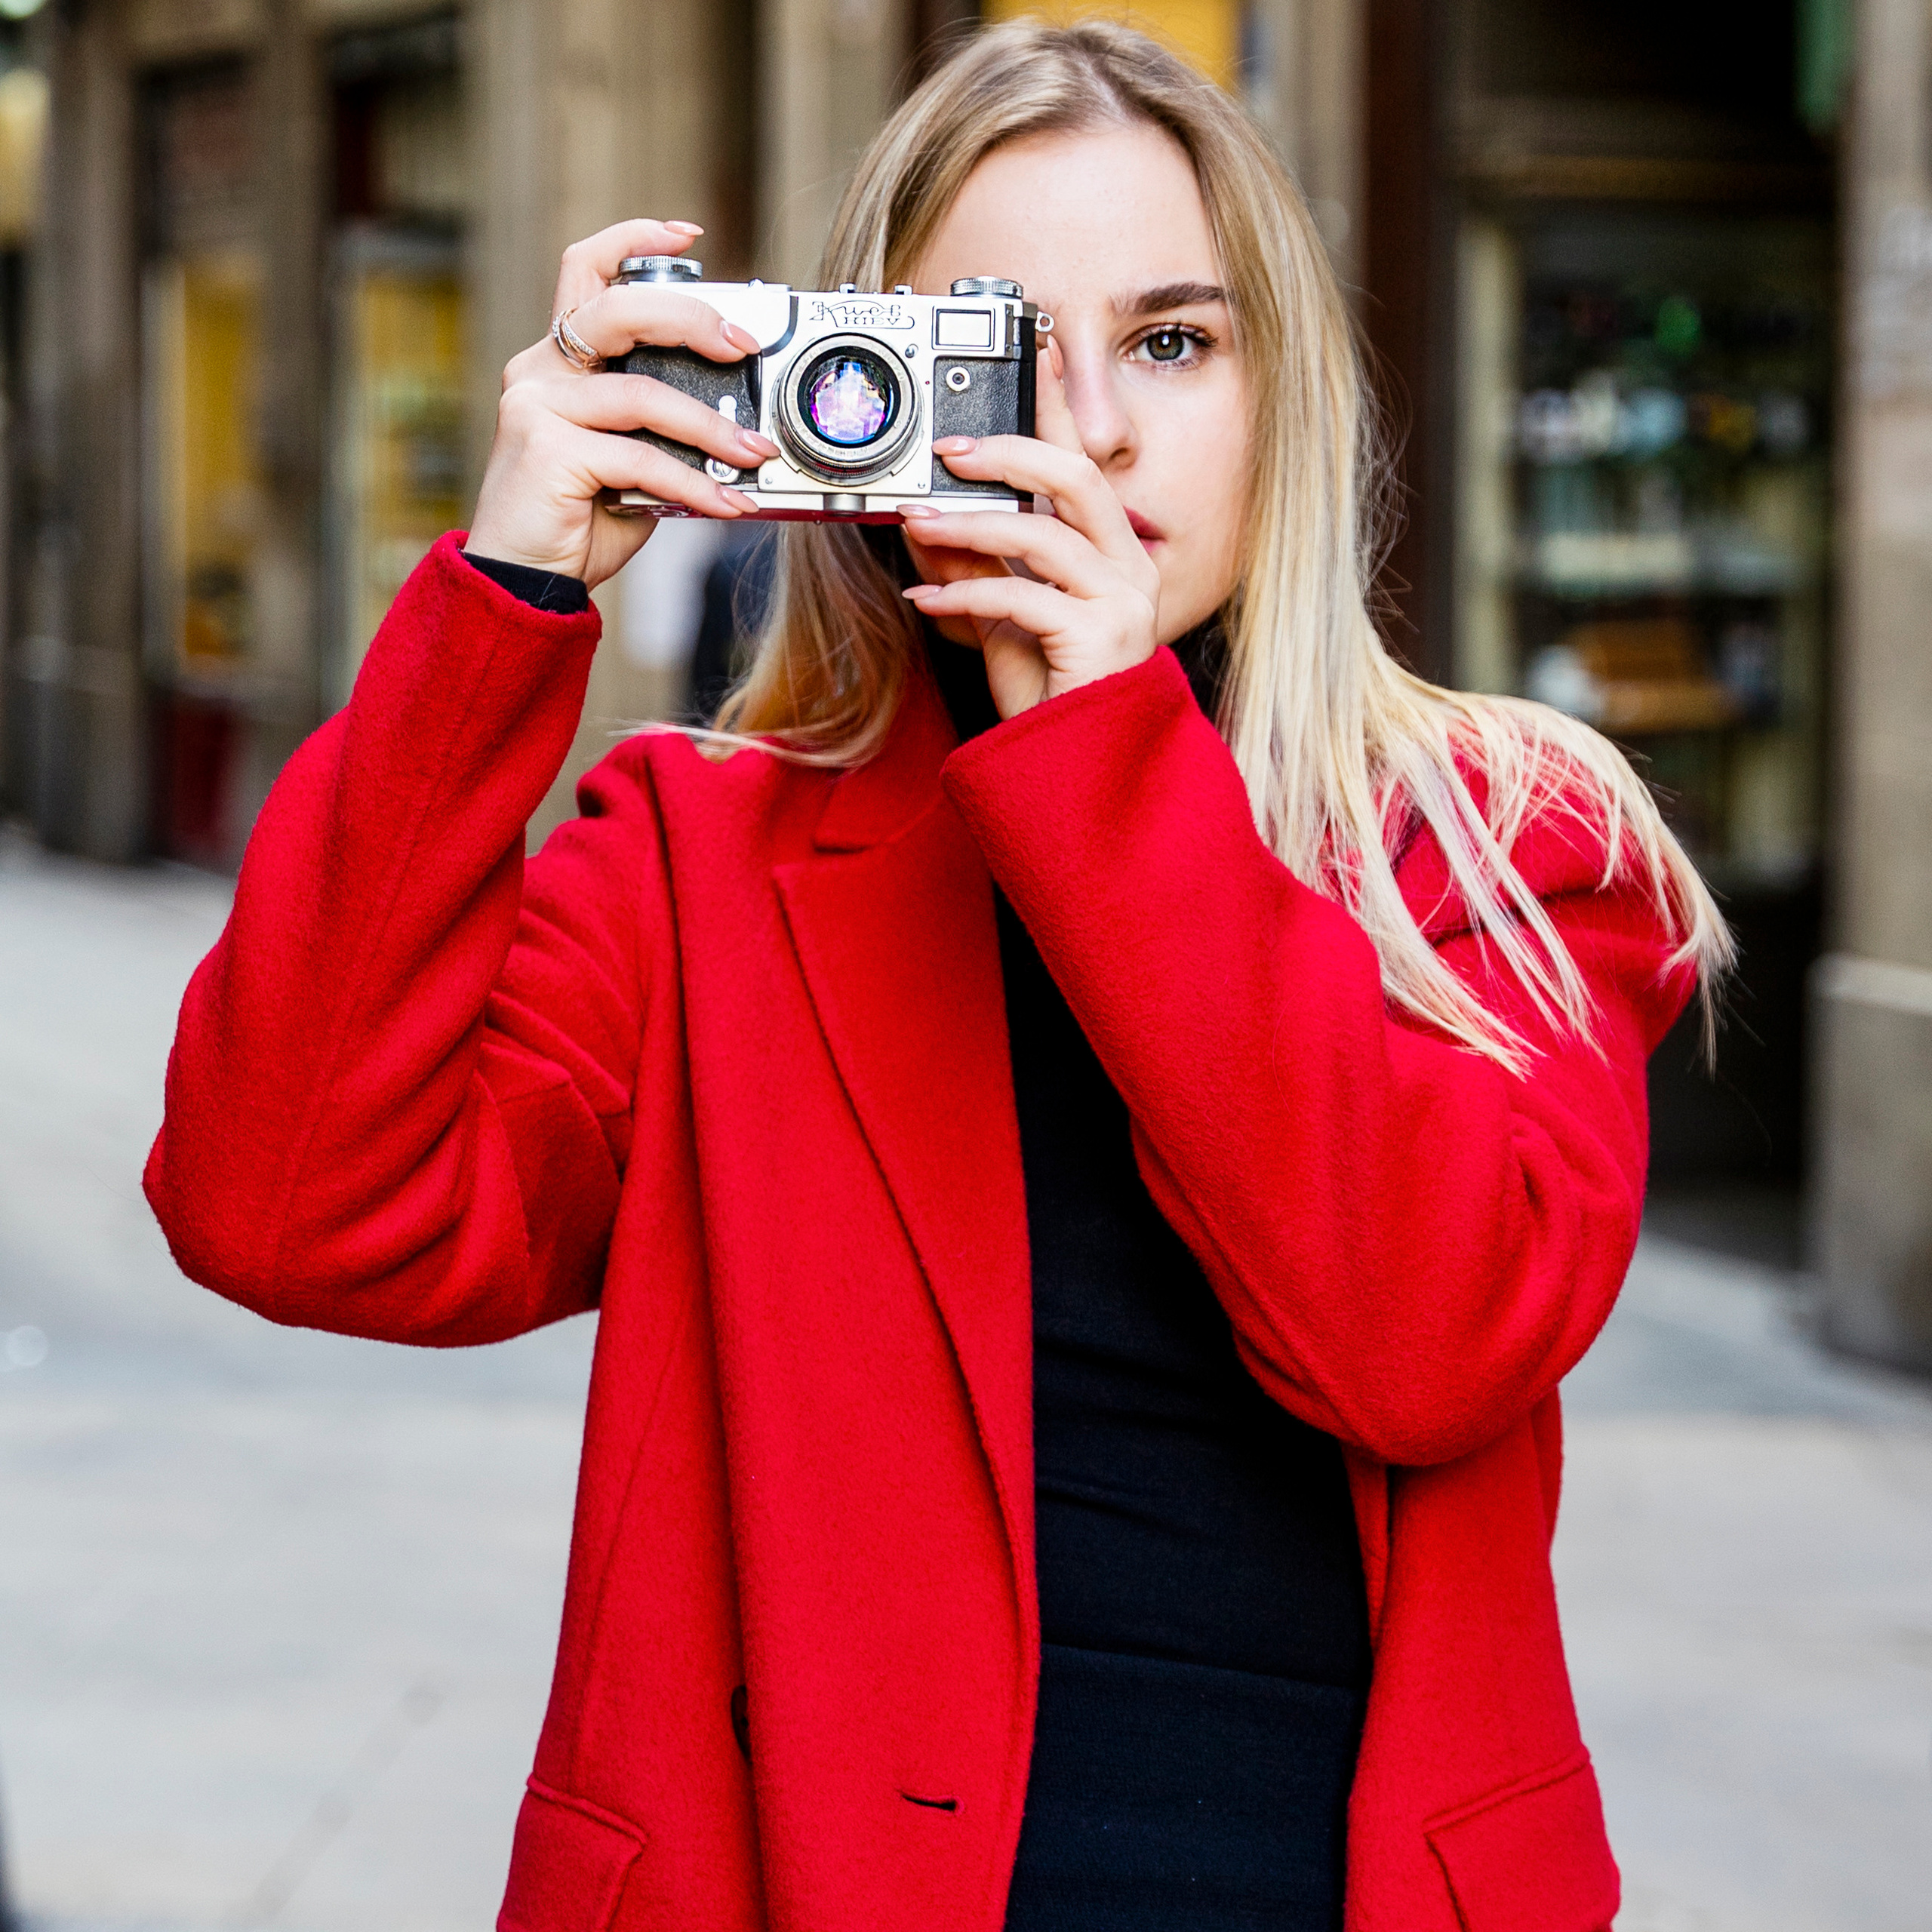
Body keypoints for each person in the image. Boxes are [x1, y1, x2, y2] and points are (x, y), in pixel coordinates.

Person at [146, 20, 1731, 1932]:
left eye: (1173, 341)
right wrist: (505, 595)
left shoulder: (1502, 837)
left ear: (1284, 390)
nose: (1092, 430)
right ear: (849, 389)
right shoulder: (697, 867)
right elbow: (287, 1206)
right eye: (997, 347)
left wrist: (1104, 764)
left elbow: (1424, 1341)